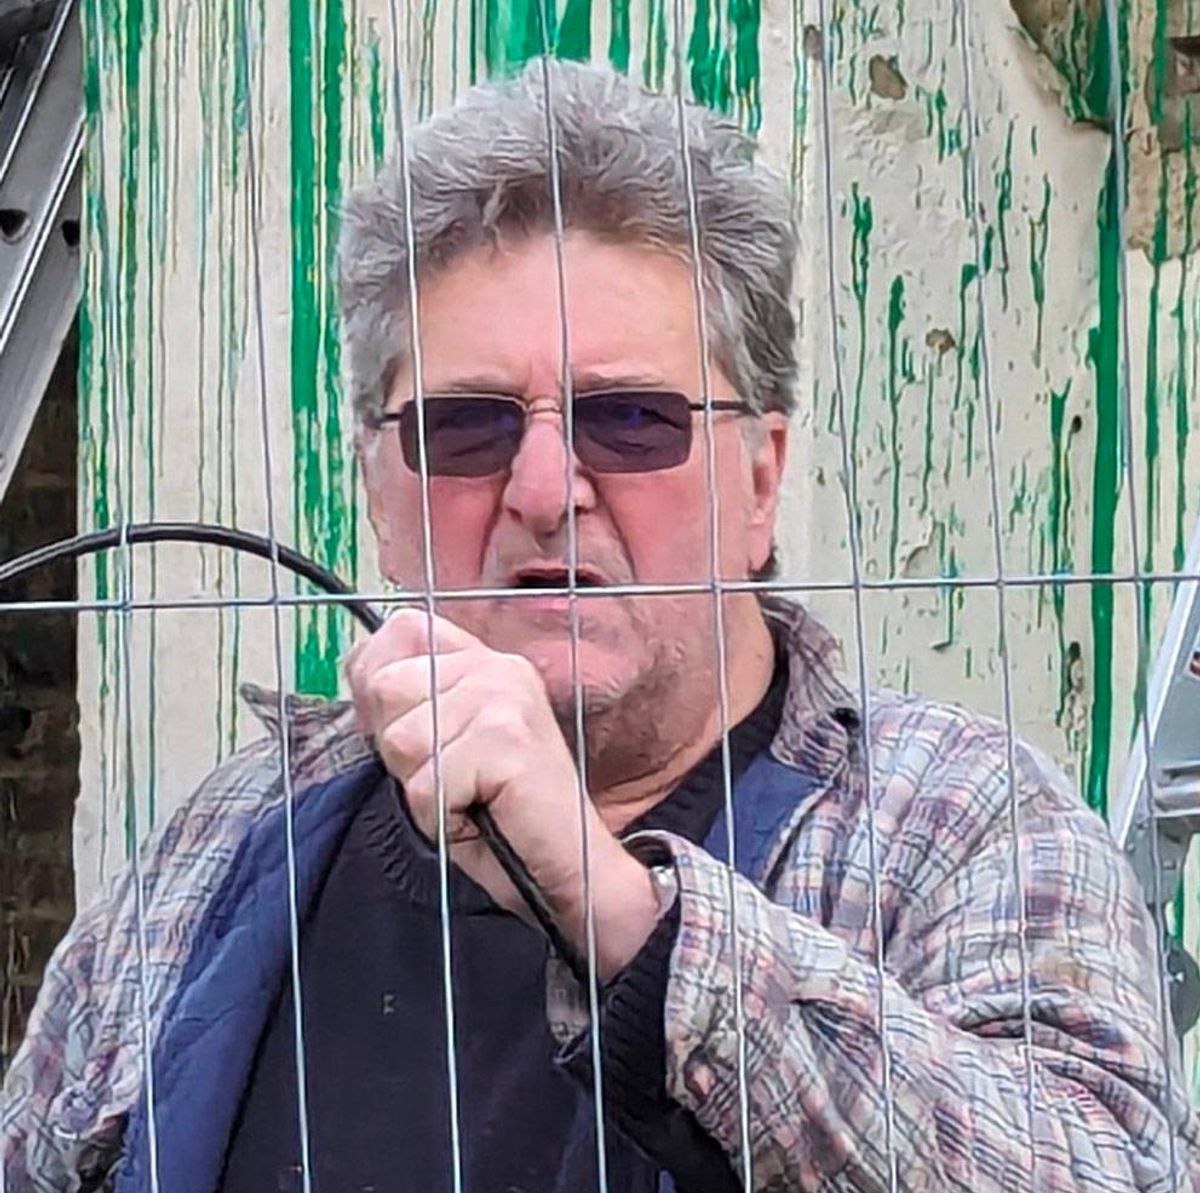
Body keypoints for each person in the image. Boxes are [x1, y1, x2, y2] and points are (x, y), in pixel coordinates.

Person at [4, 58, 1199, 1193]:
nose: (541, 489)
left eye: (629, 420)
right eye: (466, 426)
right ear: (379, 489)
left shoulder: (958, 823)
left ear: (761, 479)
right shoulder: (228, 841)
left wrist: (617, 910)